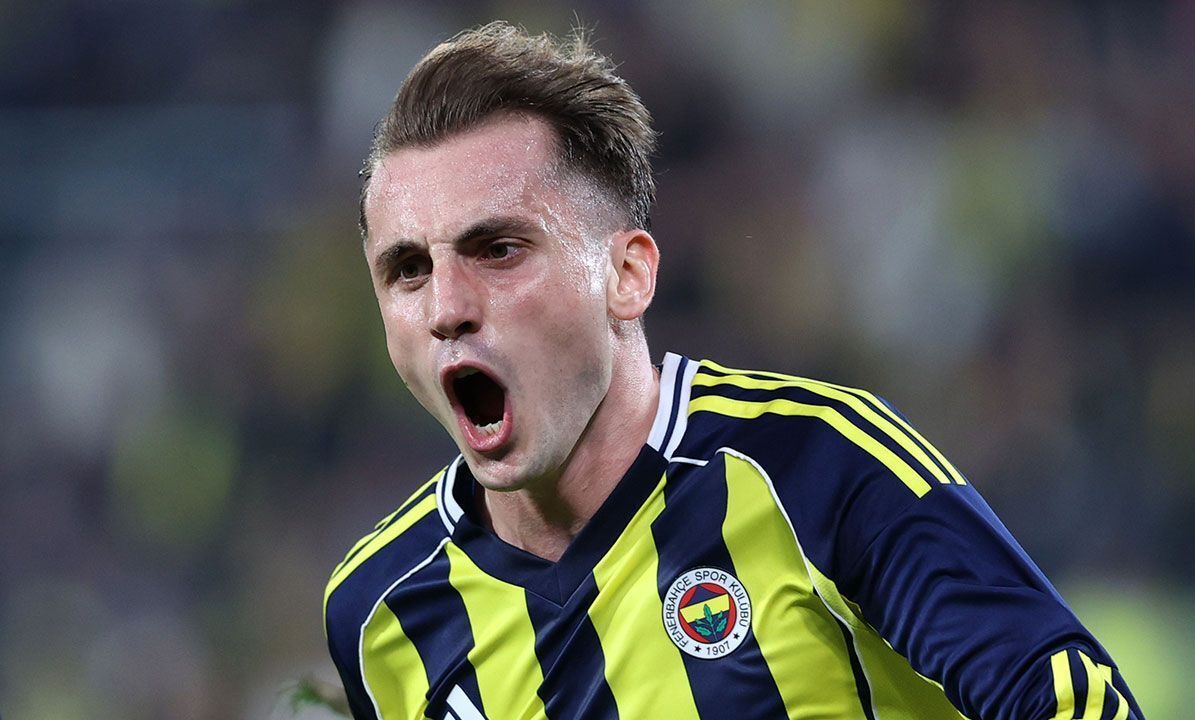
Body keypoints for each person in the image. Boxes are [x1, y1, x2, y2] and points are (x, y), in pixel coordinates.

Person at [323, 21, 1144, 720]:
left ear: (627, 275)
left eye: (499, 250)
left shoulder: (816, 468)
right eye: (408, 270)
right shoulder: (381, 612)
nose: (446, 307)